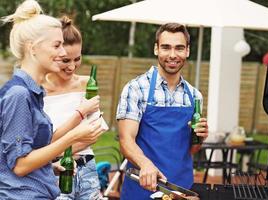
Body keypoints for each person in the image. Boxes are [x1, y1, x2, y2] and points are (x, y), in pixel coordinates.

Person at [0, 0, 102, 199]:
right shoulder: (19, 95)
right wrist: (73, 137)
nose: (63, 53)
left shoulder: (32, 93)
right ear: (33, 48)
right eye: (57, 45)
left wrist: (47, 167)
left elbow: (30, 151)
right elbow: (20, 165)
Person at [116, 23, 209, 199]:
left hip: (180, 189)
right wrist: (145, 164)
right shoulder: (136, 89)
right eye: (166, 47)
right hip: (142, 186)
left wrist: (200, 139)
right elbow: (126, 141)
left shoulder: (195, 96)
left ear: (187, 51)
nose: (173, 55)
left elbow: (190, 150)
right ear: (156, 49)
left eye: (179, 48)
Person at [42, 16, 109, 200]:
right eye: (65, 60)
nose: (72, 66)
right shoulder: (39, 90)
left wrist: (59, 149)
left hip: (87, 169)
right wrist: (63, 151)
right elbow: (40, 141)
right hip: (56, 172)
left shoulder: (87, 84)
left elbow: (95, 131)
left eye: (77, 59)